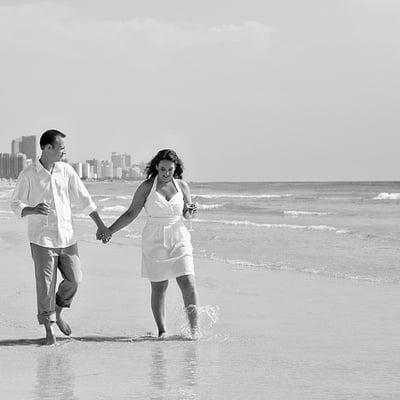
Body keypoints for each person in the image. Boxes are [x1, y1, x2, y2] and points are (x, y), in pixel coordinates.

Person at [10, 129, 110, 345]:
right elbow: (15, 203)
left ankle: (57, 313)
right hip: (42, 239)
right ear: (48, 148)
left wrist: (101, 225)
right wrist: (32, 210)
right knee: (45, 286)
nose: (65, 152)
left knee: (75, 279)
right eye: (61, 148)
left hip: (67, 237)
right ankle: (49, 331)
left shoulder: (67, 171)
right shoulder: (29, 174)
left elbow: (84, 199)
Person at [102, 149, 199, 338]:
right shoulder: (147, 187)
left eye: (170, 169)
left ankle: (195, 331)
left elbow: (187, 215)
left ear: (175, 168)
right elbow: (131, 213)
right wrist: (109, 231)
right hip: (155, 240)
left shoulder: (182, 186)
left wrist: (192, 210)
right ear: (156, 167)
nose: (166, 173)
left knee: (188, 282)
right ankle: (162, 331)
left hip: (179, 237)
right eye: (163, 169)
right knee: (159, 287)